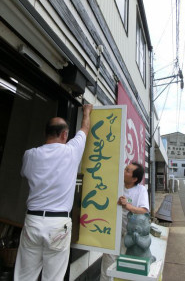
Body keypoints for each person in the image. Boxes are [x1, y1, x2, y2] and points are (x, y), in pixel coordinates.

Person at [14, 104, 93, 281]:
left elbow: (25, 174)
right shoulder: (72, 151)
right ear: (65, 135)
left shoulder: (30, 155)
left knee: (24, 275)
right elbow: (84, 128)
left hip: (33, 221)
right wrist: (87, 111)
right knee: (54, 277)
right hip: (58, 223)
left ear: (45, 134)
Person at [100, 162, 149, 281]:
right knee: (107, 264)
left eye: (127, 171)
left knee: (126, 266)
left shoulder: (141, 190)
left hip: (131, 237)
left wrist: (127, 206)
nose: (123, 171)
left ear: (134, 179)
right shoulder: (117, 185)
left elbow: (144, 211)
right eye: (125, 169)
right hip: (113, 232)